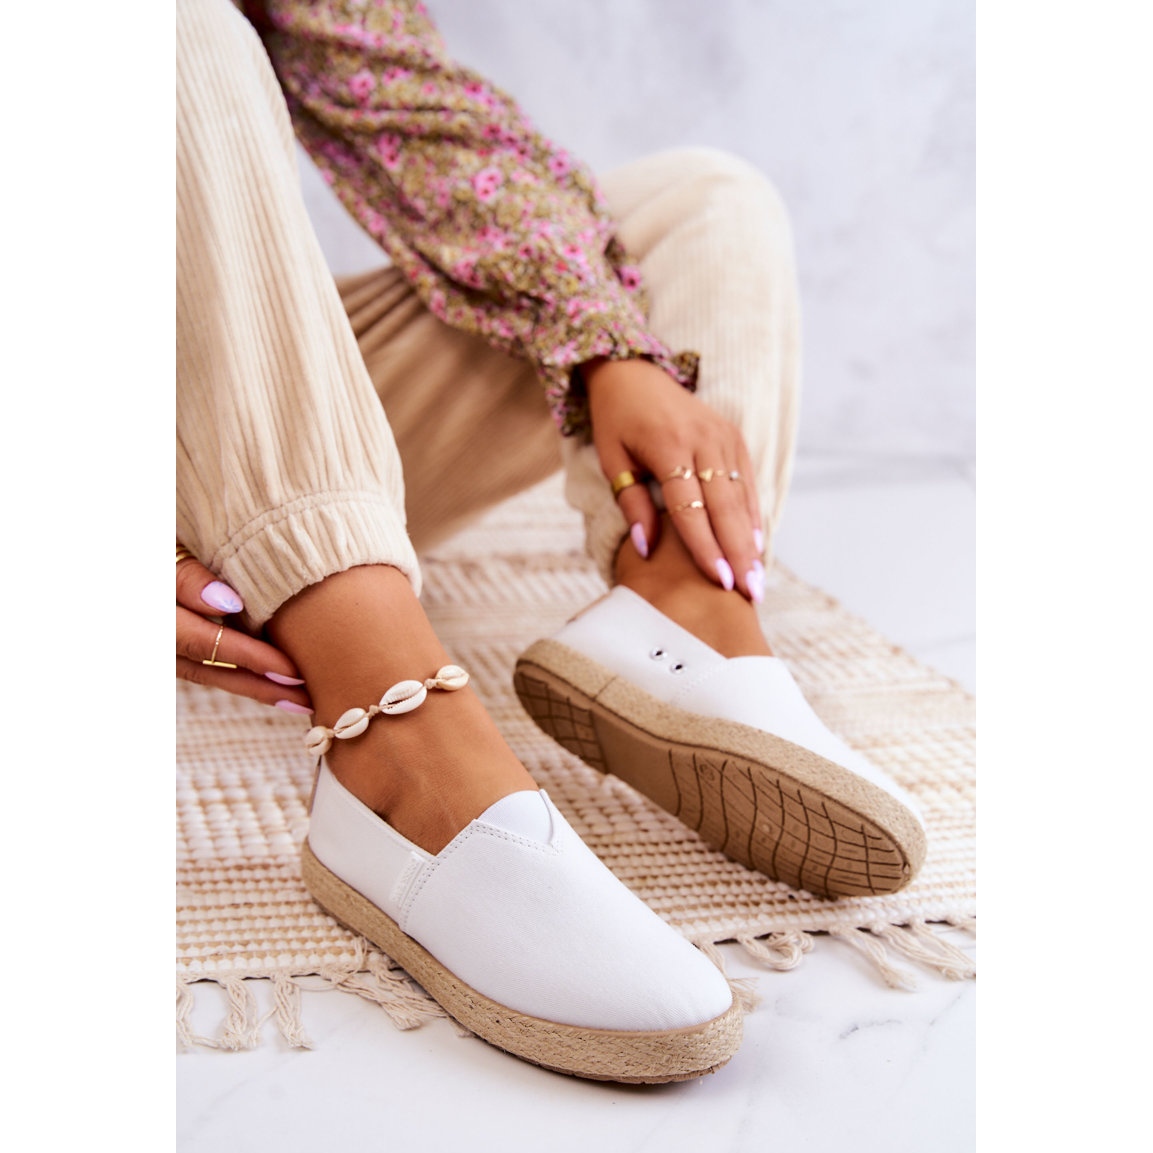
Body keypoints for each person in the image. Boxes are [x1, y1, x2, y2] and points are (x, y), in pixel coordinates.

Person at [176, 0, 925, 1083]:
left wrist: (605, 345)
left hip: (249, 409)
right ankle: (396, 753)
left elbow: (407, 103)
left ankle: (684, 611)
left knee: (699, 204)